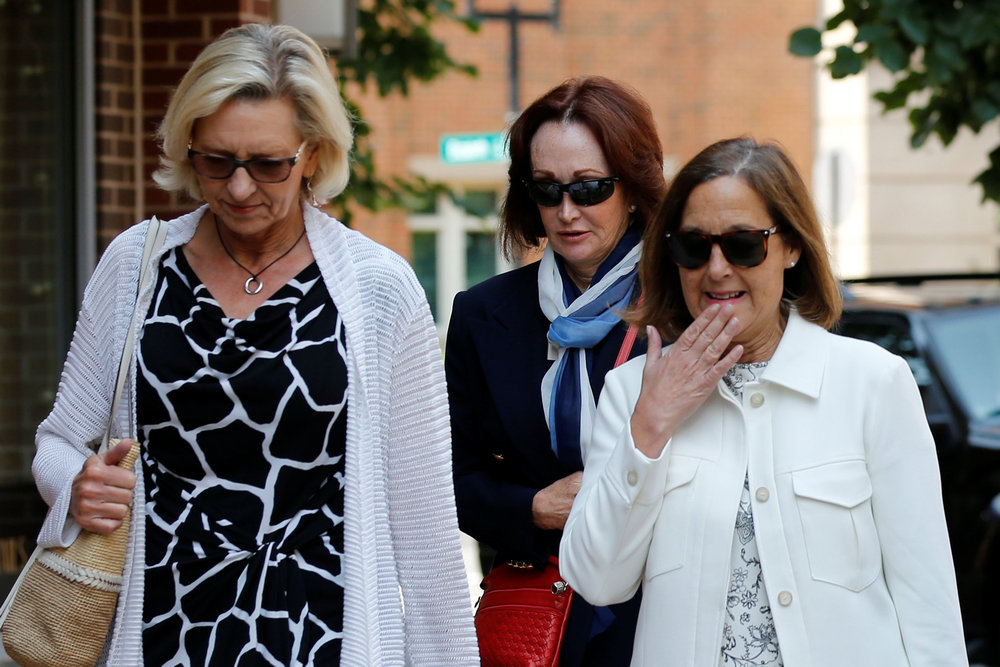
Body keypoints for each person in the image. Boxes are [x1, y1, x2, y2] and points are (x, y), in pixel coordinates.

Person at [30, 23, 479, 666]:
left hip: (322, 640)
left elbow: (426, 529)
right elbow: (57, 441)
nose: (240, 188)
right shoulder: (135, 265)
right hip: (160, 636)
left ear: (315, 154)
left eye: (269, 164)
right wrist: (76, 483)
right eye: (217, 160)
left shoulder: (380, 290)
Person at [559, 137, 967, 665]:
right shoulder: (633, 394)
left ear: (791, 246)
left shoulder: (873, 383)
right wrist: (651, 426)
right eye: (693, 245)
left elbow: (927, 601)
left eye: (744, 244)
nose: (717, 268)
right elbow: (597, 580)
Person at [445, 75, 667, 665]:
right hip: (544, 614)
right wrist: (532, 508)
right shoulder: (483, 314)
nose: (566, 211)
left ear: (633, 186)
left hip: (667, 608)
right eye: (547, 190)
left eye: (590, 188)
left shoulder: (684, 305)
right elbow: (447, 479)